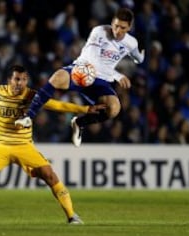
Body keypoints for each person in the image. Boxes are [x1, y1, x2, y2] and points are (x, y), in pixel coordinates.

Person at [0, 65, 105, 224]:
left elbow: (57, 105)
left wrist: (85, 108)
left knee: (49, 175)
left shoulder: (32, 96)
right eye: (17, 79)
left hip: (24, 145)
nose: (20, 83)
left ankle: (72, 216)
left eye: (24, 79)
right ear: (10, 80)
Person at [15, 8, 145, 147]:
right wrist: (117, 75)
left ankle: (79, 123)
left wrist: (140, 57)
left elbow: (138, 57)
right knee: (57, 77)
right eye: (116, 25)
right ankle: (28, 117)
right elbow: (94, 61)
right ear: (112, 22)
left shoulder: (131, 43)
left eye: (122, 28)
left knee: (114, 109)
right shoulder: (100, 31)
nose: (117, 30)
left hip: (101, 82)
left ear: (129, 28)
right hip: (83, 71)